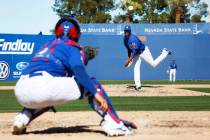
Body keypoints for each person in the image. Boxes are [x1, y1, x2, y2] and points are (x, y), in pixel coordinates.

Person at [12, 17, 136, 136]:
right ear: (76, 33)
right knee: (92, 84)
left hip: (21, 90)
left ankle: (22, 118)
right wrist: (95, 92)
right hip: (43, 87)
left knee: (44, 99)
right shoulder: (72, 46)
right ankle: (114, 124)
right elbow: (78, 69)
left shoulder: (46, 46)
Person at [123, 25, 171, 92]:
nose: (126, 32)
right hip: (137, 54)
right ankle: (138, 86)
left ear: (130, 32)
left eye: (127, 31)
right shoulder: (125, 39)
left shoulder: (133, 38)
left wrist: (129, 60)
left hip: (143, 51)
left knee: (153, 64)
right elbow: (129, 49)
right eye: (125, 31)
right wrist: (128, 58)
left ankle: (164, 52)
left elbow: (134, 51)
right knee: (136, 68)